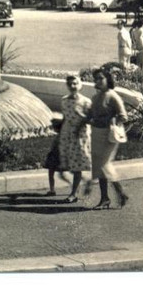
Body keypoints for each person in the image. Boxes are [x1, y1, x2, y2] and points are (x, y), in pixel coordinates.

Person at [85, 68, 129, 209]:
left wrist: (112, 121)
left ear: (108, 79)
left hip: (108, 135)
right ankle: (105, 198)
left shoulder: (112, 96)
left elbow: (123, 116)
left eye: (101, 78)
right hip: (96, 133)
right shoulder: (95, 97)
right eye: (96, 79)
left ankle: (120, 192)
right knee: (98, 166)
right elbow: (91, 115)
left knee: (104, 164)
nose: (98, 81)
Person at [58, 74, 91, 203]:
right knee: (65, 166)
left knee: (76, 166)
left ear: (80, 85)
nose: (72, 86)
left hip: (80, 135)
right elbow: (65, 117)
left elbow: (91, 119)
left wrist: (81, 115)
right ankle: (85, 181)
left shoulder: (86, 101)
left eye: (75, 83)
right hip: (66, 134)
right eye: (70, 84)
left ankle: (73, 194)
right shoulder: (64, 100)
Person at [44, 118, 69, 195]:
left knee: (52, 173)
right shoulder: (62, 136)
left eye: (54, 127)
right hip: (58, 156)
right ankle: (53, 189)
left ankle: (52, 190)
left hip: (55, 157)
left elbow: (55, 147)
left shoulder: (59, 137)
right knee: (59, 173)